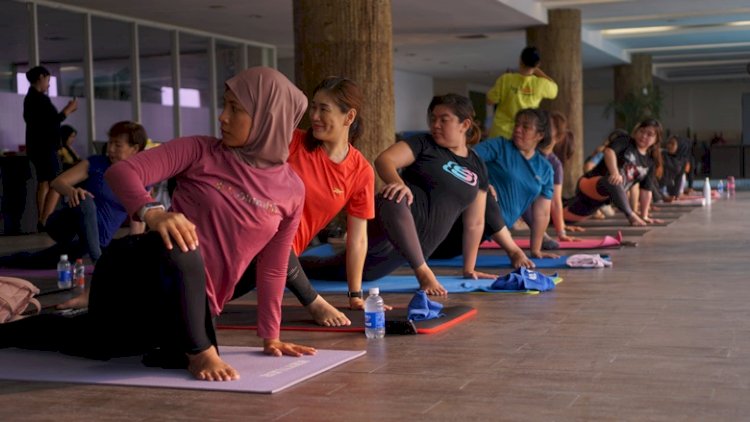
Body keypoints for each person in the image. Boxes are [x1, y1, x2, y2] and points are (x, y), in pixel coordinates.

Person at [0, 67, 315, 382]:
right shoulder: (199, 150)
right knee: (183, 239)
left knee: (86, 338)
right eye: (224, 105)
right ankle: (199, 349)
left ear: (268, 118)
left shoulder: (291, 189)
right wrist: (153, 212)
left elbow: (274, 266)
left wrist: (270, 336)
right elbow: (122, 173)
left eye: (235, 109)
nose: (223, 117)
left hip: (193, 305)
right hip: (140, 276)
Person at [300, 94, 493, 296]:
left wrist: (469, 269)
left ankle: (291, 263)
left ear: (465, 124)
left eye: (443, 120)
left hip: (404, 253)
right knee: (392, 196)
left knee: (337, 268)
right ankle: (423, 273)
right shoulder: (424, 143)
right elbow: (385, 160)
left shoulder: (477, 165)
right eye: (433, 119)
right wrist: (399, 184)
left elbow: (475, 222)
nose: (435, 125)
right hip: (386, 229)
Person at [232, 76, 376, 327]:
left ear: (349, 117)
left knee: (201, 300)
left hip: (279, 265)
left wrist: (355, 294)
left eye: (324, 109)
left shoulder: (360, 170)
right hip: (241, 242)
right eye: (313, 107)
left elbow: (358, 237)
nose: (315, 116)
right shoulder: (291, 141)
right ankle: (314, 302)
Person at [0, 121, 148, 272]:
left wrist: (133, 256)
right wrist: (73, 192)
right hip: (68, 226)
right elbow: (57, 183)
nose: (110, 149)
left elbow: (138, 222)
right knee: (85, 199)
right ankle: (98, 262)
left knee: (38, 260)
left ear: (135, 148)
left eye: (117, 145)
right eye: (109, 143)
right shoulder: (96, 163)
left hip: (94, 241)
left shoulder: (141, 179)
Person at [472, 109, 557, 259]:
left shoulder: (545, 169)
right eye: (517, 125)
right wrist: (482, 182)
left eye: (525, 127)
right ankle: (514, 251)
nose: (517, 129)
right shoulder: (500, 146)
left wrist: (535, 250)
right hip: (469, 221)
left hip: (483, 235)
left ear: (540, 135)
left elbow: (542, 213)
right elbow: (466, 158)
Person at [563, 120, 665, 226]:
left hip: (601, 201)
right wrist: (615, 172)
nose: (643, 136)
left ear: (656, 140)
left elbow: (646, 191)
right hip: (590, 184)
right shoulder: (625, 141)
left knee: (566, 217)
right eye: (642, 131)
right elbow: (609, 152)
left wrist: (644, 216)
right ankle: (631, 216)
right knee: (613, 181)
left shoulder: (650, 162)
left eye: (649, 134)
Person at [23, 66, 78, 230]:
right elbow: (51, 122)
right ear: (41, 77)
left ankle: (43, 218)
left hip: (37, 147)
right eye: (47, 80)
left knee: (44, 181)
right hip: (45, 147)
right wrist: (67, 111)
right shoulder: (39, 99)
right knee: (55, 182)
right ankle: (46, 219)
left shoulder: (31, 98)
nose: (48, 84)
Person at [522, 111, 583, 247]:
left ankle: (539, 234)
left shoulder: (555, 164)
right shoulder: (528, 151)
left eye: (549, 127)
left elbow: (555, 201)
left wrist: (561, 232)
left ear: (558, 136)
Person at [486, 47, 558, 139]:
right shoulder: (541, 84)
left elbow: (490, 101)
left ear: (520, 60)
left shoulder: (506, 79)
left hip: (500, 133)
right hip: (524, 136)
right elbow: (554, 89)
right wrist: (537, 71)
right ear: (538, 64)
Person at [659, 135, 691, 201]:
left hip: (665, 186)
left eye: (672, 144)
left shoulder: (683, 160)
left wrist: (675, 194)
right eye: (668, 143)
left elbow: (678, 178)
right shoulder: (662, 155)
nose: (669, 145)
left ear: (680, 146)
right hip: (655, 186)